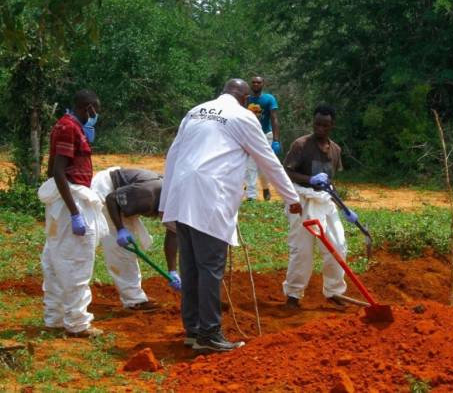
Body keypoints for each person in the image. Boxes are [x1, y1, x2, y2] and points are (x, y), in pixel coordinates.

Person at [160, 78, 302, 352]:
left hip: (181, 195)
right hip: (209, 198)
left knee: (190, 269)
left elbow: (173, 156)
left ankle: (193, 331)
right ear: (244, 98)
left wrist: (166, 204)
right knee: (211, 269)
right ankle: (210, 335)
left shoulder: (195, 111)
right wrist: (292, 197)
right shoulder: (242, 116)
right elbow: (267, 160)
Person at [38, 89, 107, 338]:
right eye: (95, 110)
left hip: (64, 202)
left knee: (56, 260)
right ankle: (77, 323)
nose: (96, 115)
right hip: (72, 201)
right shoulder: (69, 128)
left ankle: (54, 318)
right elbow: (58, 171)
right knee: (76, 262)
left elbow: (51, 169)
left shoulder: (64, 126)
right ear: (88, 107)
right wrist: (74, 212)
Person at [281, 104, 358, 309]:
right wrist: (310, 179)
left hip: (325, 201)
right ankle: (294, 295)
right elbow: (286, 172)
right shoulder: (301, 145)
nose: (320, 128)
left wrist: (344, 208)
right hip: (303, 200)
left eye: (325, 125)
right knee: (302, 250)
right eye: (317, 124)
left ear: (332, 126)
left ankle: (334, 291)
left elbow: (330, 182)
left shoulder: (335, 150)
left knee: (338, 245)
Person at [91, 167, 180, 311]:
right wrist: (120, 229)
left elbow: (172, 232)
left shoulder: (174, 202)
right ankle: (134, 301)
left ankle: (134, 296)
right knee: (121, 252)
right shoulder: (148, 194)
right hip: (107, 191)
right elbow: (112, 199)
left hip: (126, 195)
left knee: (126, 250)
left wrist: (172, 271)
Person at [245, 76, 281, 201]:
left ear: (263, 84)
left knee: (263, 166)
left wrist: (276, 140)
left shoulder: (269, 99)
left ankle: (265, 187)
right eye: (253, 82)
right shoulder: (246, 99)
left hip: (265, 135)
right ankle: (251, 196)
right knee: (250, 165)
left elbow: (274, 118)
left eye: (258, 82)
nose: (255, 84)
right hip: (250, 135)